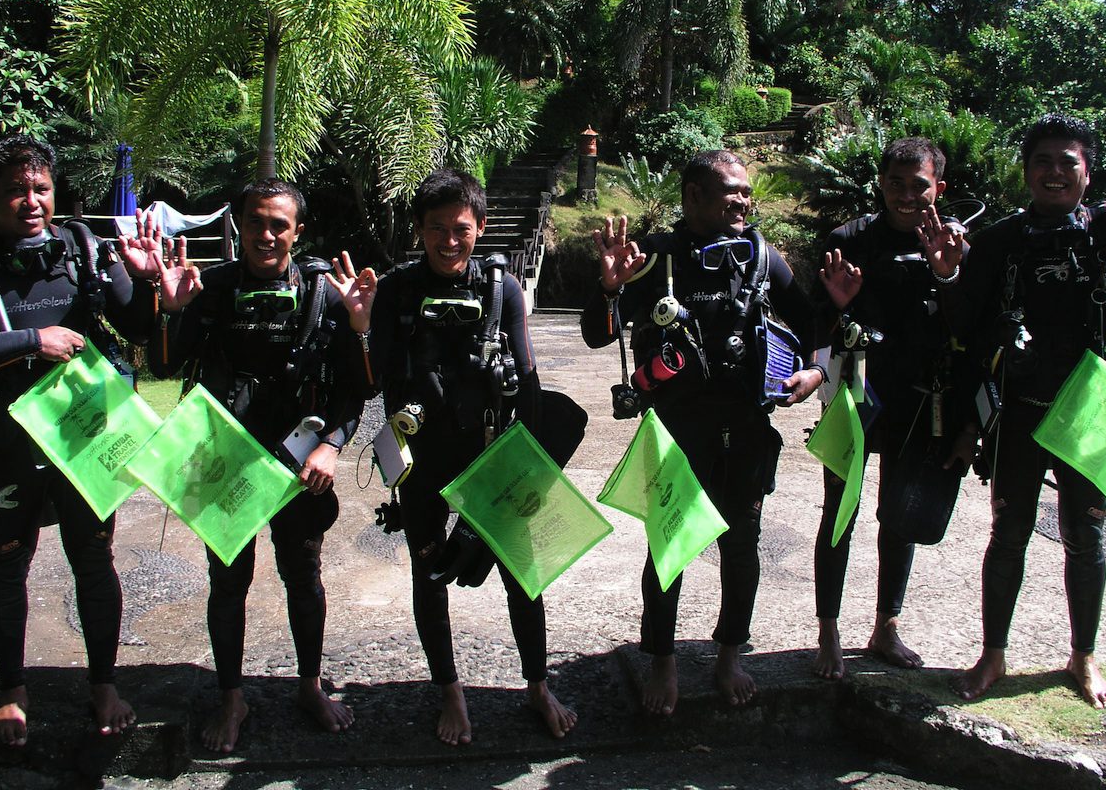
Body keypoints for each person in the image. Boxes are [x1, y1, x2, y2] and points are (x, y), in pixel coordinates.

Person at [0, 134, 155, 746]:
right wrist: (32, 339)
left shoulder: (81, 248)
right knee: (7, 562)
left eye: (41, 188)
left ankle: (104, 683)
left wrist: (153, 286)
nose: (31, 201)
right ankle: (12, 692)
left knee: (94, 559)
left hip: (83, 437)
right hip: (6, 440)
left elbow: (138, 325)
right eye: (16, 191)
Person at [336, 168, 576, 747]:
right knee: (430, 573)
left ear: (482, 227)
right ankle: (449, 690)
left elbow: (530, 384)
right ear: (419, 229)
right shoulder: (395, 292)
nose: (449, 240)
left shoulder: (501, 289)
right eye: (437, 228)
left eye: (461, 229)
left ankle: (539, 686)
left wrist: (528, 469)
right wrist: (362, 327)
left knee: (524, 576)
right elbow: (370, 387)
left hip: (490, 451)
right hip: (421, 457)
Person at [580, 149, 824, 715]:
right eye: (728, 191)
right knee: (669, 547)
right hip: (677, 428)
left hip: (746, 426)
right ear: (692, 196)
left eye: (745, 191)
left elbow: (809, 315)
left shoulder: (762, 256)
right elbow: (596, 333)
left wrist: (812, 369)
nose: (742, 199)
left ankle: (729, 656)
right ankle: (661, 661)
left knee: (742, 548)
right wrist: (611, 289)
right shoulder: (655, 257)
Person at [949, 113, 1106, 709]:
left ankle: (1083, 657)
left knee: (1086, 533)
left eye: (1066, 162)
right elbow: (965, 331)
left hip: (1092, 413)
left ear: (1087, 171)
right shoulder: (1000, 240)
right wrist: (967, 420)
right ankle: (993, 654)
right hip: (1019, 409)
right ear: (1025, 171)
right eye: (1042, 162)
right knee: (1009, 533)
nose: (1054, 173)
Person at [147, 178, 370, 754]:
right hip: (226, 458)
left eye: (279, 224)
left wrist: (334, 445)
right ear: (239, 226)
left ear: (298, 231)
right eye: (256, 222)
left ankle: (310, 685)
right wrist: (172, 311)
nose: (266, 234)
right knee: (228, 581)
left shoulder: (324, 293)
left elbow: (354, 388)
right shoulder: (214, 288)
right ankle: (231, 695)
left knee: (304, 575)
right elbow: (166, 366)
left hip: (299, 461)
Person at [811, 136, 974, 680]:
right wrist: (836, 306)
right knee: (840, 510)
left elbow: (970, 329)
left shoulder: (954, 244)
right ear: (879, 184)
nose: (907, 196)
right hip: (855, 388)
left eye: (919, 185)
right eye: (896, 184)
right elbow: (814, 326)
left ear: (939, 188)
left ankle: (886, 626)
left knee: (900, 517)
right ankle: (829, 630)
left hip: (922, 396)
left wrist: (947, 272)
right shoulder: (847, 239)